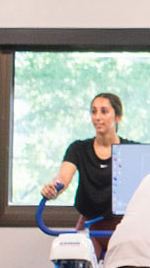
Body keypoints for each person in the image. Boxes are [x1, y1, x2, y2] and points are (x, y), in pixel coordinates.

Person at [40, 93, 132, 259]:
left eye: (104, 112)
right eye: (94, 111)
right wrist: (53, 189)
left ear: (117, 117)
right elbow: (63, 178)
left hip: (120, 225)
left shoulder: (130, 150)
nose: (97, 117)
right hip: (90, 223)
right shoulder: (79, 149)